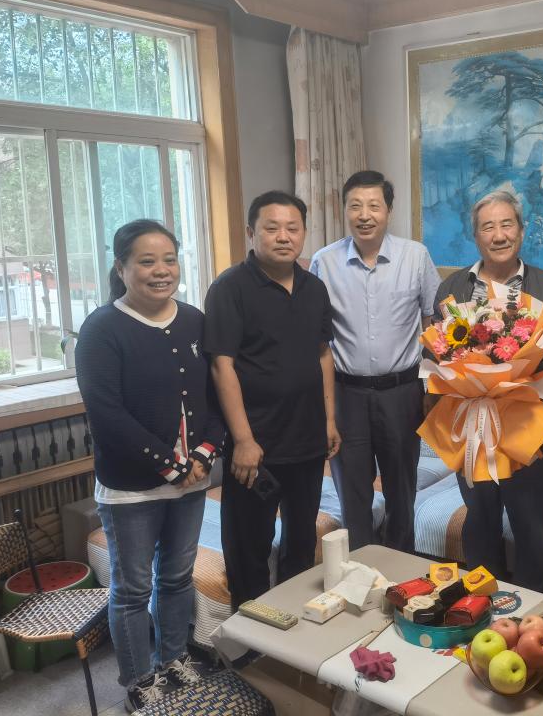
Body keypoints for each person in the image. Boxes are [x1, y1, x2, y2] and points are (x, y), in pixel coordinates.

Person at [76, 220, 222, 711]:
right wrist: (170, 466)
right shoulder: (102, 328)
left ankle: (174, 657)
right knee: (133, 589)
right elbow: (106, 414)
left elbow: (216, 395)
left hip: (192, 481)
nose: (161, 271)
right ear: (122, 268)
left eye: (169, 260)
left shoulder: (195, 320)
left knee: (177, 577)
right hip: (132, 488)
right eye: (147, 261)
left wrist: (204, 453)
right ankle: (139, 679)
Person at [204, 191, 341, 609]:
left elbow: (323, 354)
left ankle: (293, 629)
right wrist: (243, 440)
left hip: (307, 443)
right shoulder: (230, 288)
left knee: (301, 542)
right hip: (256, 449)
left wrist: (329, 420)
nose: (284, 236)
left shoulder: (314, 288)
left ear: (304, 233)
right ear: (251, 232)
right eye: (272, 227)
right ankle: (249, 638)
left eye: (292, 228)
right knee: (249, 547)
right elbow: (221, 366)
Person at [432, 190, 543, 593]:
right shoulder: (453, 287)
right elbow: (437, 351)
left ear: (521, 231)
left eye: (507, 224)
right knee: (479, 523)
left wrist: (508, 382)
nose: (498, 235)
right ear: (475, 236)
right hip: (473, 430)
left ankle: (531, 613)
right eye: (488, 227)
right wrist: (471, 379)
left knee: (532, 529)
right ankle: (480, 605)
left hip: (529, 430)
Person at [309, 171, 440, 552]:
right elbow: (317, 338)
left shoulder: (415, 256)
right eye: (355, 206)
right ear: (344, 210)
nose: (364, 215)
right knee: (353, 495)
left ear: (389, 211)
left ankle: (401, 568)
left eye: (374, 206)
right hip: (346, 394)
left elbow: (434, 325)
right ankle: (360, 570)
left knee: (402, 491)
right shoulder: (324, 262)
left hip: (402, 392)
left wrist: (433, 389)